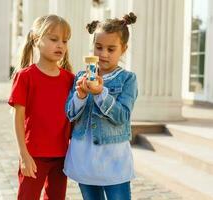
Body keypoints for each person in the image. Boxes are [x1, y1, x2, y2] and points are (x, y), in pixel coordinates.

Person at [64, 12, 138, 200]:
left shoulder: (128, 79)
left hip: (113, 160)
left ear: (124, 49)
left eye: (111, 49)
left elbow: (122, 116)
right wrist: (80, 95)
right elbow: (70, 114)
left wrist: (100, 94)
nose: (103, 54)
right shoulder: (81, 76)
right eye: (98, 47)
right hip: (85, 159)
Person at [8, 14, 74, 200]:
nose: (60, 45)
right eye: (54, 39)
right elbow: (18, 117)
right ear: (36, 40)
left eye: (65, 41)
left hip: (62, 155)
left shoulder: (70, 79)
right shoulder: (25, 77)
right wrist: (24, 154)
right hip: (33, 155)